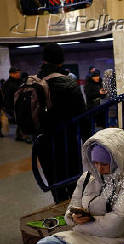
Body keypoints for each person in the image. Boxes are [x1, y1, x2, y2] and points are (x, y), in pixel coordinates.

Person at [21, 128, 124, 244]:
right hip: (81, 238)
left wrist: (88, 221)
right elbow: (70, 211)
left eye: (104, 164)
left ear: (117, 159)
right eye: (95, 162)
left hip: (113, 243)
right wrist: (74, 217)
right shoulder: (86, 178)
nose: (98, 168)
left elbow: (117, 225)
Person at [35, 43, 88, 203]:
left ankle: (60, 210)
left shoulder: (34, 82)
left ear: (44, 59)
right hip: (67, 143)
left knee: (55, 184)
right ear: (61, 61)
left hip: (43, 143)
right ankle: (74, 216)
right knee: (73, 183)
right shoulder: (68, 83)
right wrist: (88, 141)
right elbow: (83, 116)